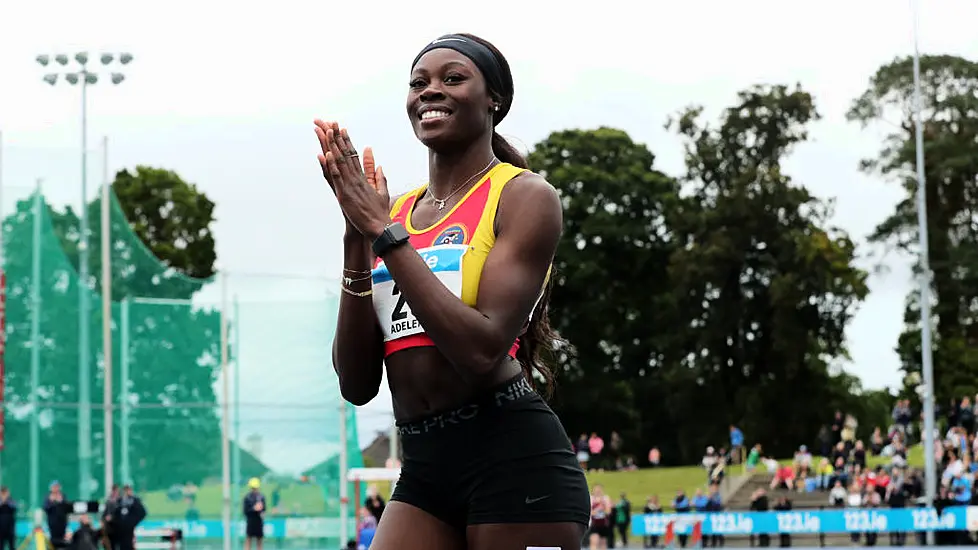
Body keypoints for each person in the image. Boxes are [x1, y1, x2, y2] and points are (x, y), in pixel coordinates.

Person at [313, 32, 589, 550]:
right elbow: (357, 383)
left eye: (452, 79)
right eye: (419, 83)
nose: (430, 91)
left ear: (493, 100)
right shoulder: (390, 216)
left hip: (512, 460)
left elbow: (481, 351)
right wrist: (357, 236)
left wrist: (386, 237)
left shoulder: (524, 195)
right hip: (424, 467)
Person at [243, 478, 266, 550]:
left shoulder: (261, 497)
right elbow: (245, 511)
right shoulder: (247, 497)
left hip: (259, 521)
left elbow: (264, 509)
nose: (255, 490)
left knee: (259, 540)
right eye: (253, 488)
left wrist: (262, 511)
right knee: (248, 539)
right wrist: (254, 508)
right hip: (250, 521)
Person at [587, 485, 611, 550]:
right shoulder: (591, 499)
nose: (598, 491)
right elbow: (589, 512)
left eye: (599, 490)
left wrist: (603, 507)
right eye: (596, 490)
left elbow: (608, 512)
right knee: (594, 541)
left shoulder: (605, 498)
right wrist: (598, 509)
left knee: (603, 543)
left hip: (603, 524)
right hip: (594, 524)